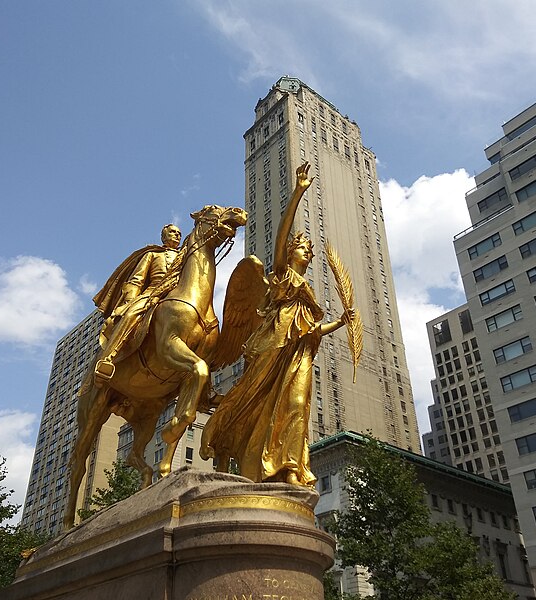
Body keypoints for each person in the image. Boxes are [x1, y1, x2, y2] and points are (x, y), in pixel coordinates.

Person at [200, 163, 354, 485]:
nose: (306, 251)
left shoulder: (308, 296)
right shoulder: (283, 276)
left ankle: (290, 469)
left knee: (297, 405)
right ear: (290, 252)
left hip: (299, 356)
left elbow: (310, 331)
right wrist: (297, 192)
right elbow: (282, 233)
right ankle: (231, 440)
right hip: (272, 349)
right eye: (302, 246)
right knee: (252, 400)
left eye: (309, 250)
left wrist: (340, 322)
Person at [91, 224, 182, 380]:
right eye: (172, 232)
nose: (176, 235)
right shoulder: (152, 255)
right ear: (163, 236)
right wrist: (130, 301)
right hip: (152, 293)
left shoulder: (186, 256)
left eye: (179, 233)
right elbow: (136, 280)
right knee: (131, 314)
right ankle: (109, 357)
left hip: (178, 295)